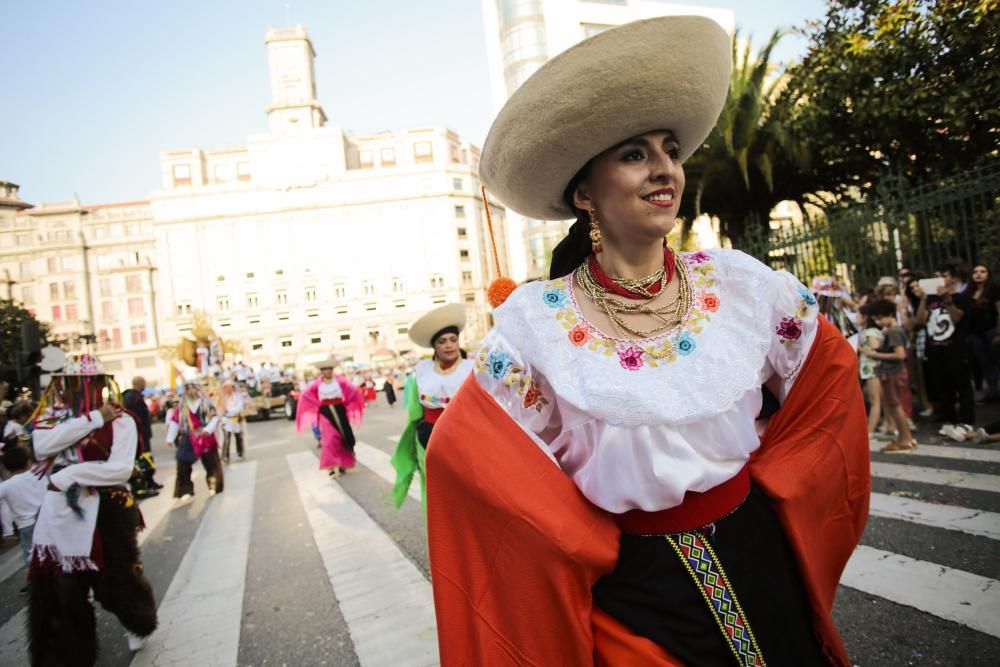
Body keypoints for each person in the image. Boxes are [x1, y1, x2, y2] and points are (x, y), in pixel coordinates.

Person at [424, 16, 869, 666]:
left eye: (670, 149)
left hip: (762, 563)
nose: (665, 170)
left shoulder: (741, 286)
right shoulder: (536, 325)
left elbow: (827, 381)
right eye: (635, 154)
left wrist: (778, 487)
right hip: (635, 601)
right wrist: (582, 545)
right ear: (585, 192)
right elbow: (474, 467)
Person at [26, 354, 157, 661]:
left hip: (106, 510)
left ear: (99, 383)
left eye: (82, 384)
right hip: (61, 515)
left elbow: (120, 470)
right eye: (70, 384)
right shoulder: (56, 419)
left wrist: (69, 475)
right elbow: (43, 447)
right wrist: (95, 418)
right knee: (61, 590)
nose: (73, 391)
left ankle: (136, 621)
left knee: (115, 580)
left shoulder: (123, 420)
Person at [390, 304, 474, 509]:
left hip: (465, 437)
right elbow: (415, 411)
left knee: (467, 491)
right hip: (428, 439)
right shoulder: (422, 371)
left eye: (453, 340)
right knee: (436, 493)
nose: (449, 345)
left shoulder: (472, 369)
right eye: (442, 341)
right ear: (434, 346)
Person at [913, 258, 976, 427]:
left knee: (961, 384)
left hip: (955, 347)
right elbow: (919, 321)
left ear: (953, 278)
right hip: (935, 348)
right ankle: (948, 418)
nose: (940, 278)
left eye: (944, 275)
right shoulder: (931, 299)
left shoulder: (961, 298)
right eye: (937, 275)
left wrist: (948, 299)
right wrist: (923, 300)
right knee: (942, 385)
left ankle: (966, 419)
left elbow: (957, 318)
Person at [295, 357, 365, 478]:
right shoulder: (316, 384)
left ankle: (343, 463)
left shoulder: (340, 381)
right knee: (329, 439)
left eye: (329, 369)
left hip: (339, 410)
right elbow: (305, 395)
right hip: (325, 412)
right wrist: (317, 404)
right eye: (324, 369)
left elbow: (353, 391)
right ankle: (331, 466)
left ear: (332, 370)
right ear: (321, 371)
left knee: (343, 437)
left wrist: (347, 402)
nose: (327, 371)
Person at [863, 300, 916, 452]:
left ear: (890, 314)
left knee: (895, 406)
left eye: (880, 317)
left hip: (893, 372)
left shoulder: (894, 331)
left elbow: (899, 355)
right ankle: (904, 438)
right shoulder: (891, 330)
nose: (878, 321)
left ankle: (905, 439)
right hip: (891, 372)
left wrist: (876, 354)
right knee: (894, 406)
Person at [165, 382, 225, 499]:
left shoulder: (206, 403)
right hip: (189, 437)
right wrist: (170, 438)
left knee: (211, 463)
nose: (191, 391)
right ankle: (185, 489)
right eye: (188, 389)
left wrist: (208, 429)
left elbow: (214, 417)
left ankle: (214, 485)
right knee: (182, 462)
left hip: (205, 436)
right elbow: (175, 422)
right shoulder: (183, 407)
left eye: (193, 388)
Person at [0, 446, 46, 565]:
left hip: (26, 525)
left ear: (6, 467)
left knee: (32, 558)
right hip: (46, 519)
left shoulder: (6, 486)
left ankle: (37, 579)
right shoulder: (40, 474)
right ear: (27, 462)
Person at [965, 262, 1000, 402]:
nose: (978, 274)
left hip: (991, 330)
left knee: (997, 359)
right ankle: (993, 392)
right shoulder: (968, 292)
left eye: (982, 271)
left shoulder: (994, 289)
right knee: (984, 361)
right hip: (975, 333)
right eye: (975, 272)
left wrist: (999, 332)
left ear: (988, 274)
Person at [122, 376, 162, 497]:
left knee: (146, 459)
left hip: (140, 434)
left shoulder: (132, 397)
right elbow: (137, 417)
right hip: (139, 435)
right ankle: (141, 486)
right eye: (144, 382)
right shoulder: (134, 398)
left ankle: (149, 482)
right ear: (140, 384)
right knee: (142, 459)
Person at [857, 302, 884, 436]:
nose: (856, 316)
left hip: (872, 368)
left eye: (859, 314)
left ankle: (870, 430)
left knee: (875, 400)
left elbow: (875, 347)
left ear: (865, 317)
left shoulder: (870, 332)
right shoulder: (867, 331)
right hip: (868, 369)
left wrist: (859, 347)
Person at [220, 380, 247, 462]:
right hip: (227, 419)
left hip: (236, 418)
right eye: (226, 387)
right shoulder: (222, 398)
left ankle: (240, 452)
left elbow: (239, 406)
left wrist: (232, 411)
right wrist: (228, 412)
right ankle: (225, 455)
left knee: (238, 436)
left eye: (230, 387)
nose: (228, 389)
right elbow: (222, 408)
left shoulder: (237, 396)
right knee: (226, 438)